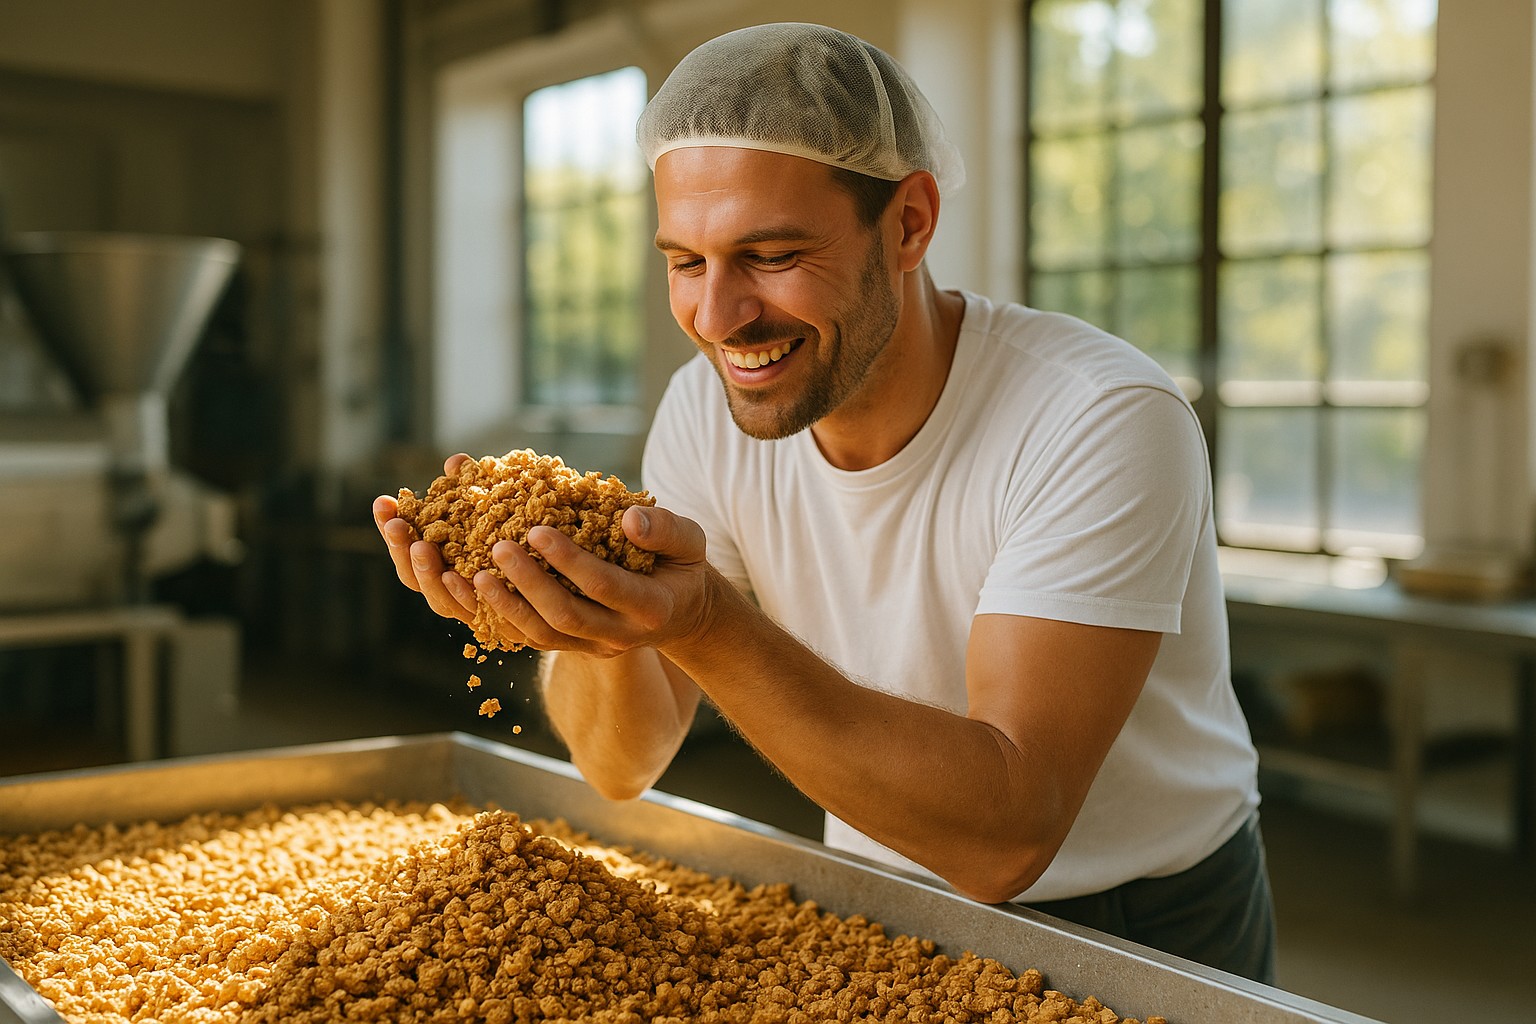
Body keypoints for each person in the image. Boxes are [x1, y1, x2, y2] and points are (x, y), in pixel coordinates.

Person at [374, 22, 1277, 983]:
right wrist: (597, 627)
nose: (717, 320)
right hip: (877, 899)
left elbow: (1007, 838)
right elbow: (619, 764)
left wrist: (704, 624)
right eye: (686, 262)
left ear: (910, 225)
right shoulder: (704, 407)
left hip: (1144, 921)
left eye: (768, 254)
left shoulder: (1095, 416)